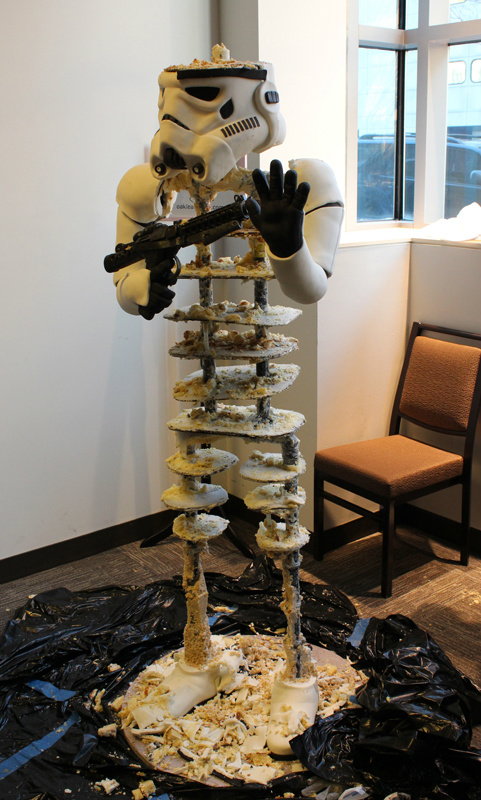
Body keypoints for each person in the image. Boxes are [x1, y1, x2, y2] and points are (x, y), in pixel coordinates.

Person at [109, 45, 344, 757]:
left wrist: (285, 243)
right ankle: (198, 657)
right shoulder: (147, 190)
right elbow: (128, 288)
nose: (181, 124)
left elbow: (310, 286)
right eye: (174, 105)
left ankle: (296, 669)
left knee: (280, 521)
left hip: (265, 385)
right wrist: (148, 283)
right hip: (201, 382)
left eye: (206, 99)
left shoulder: (304, 180)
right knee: (191, 526)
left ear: (257, 106)